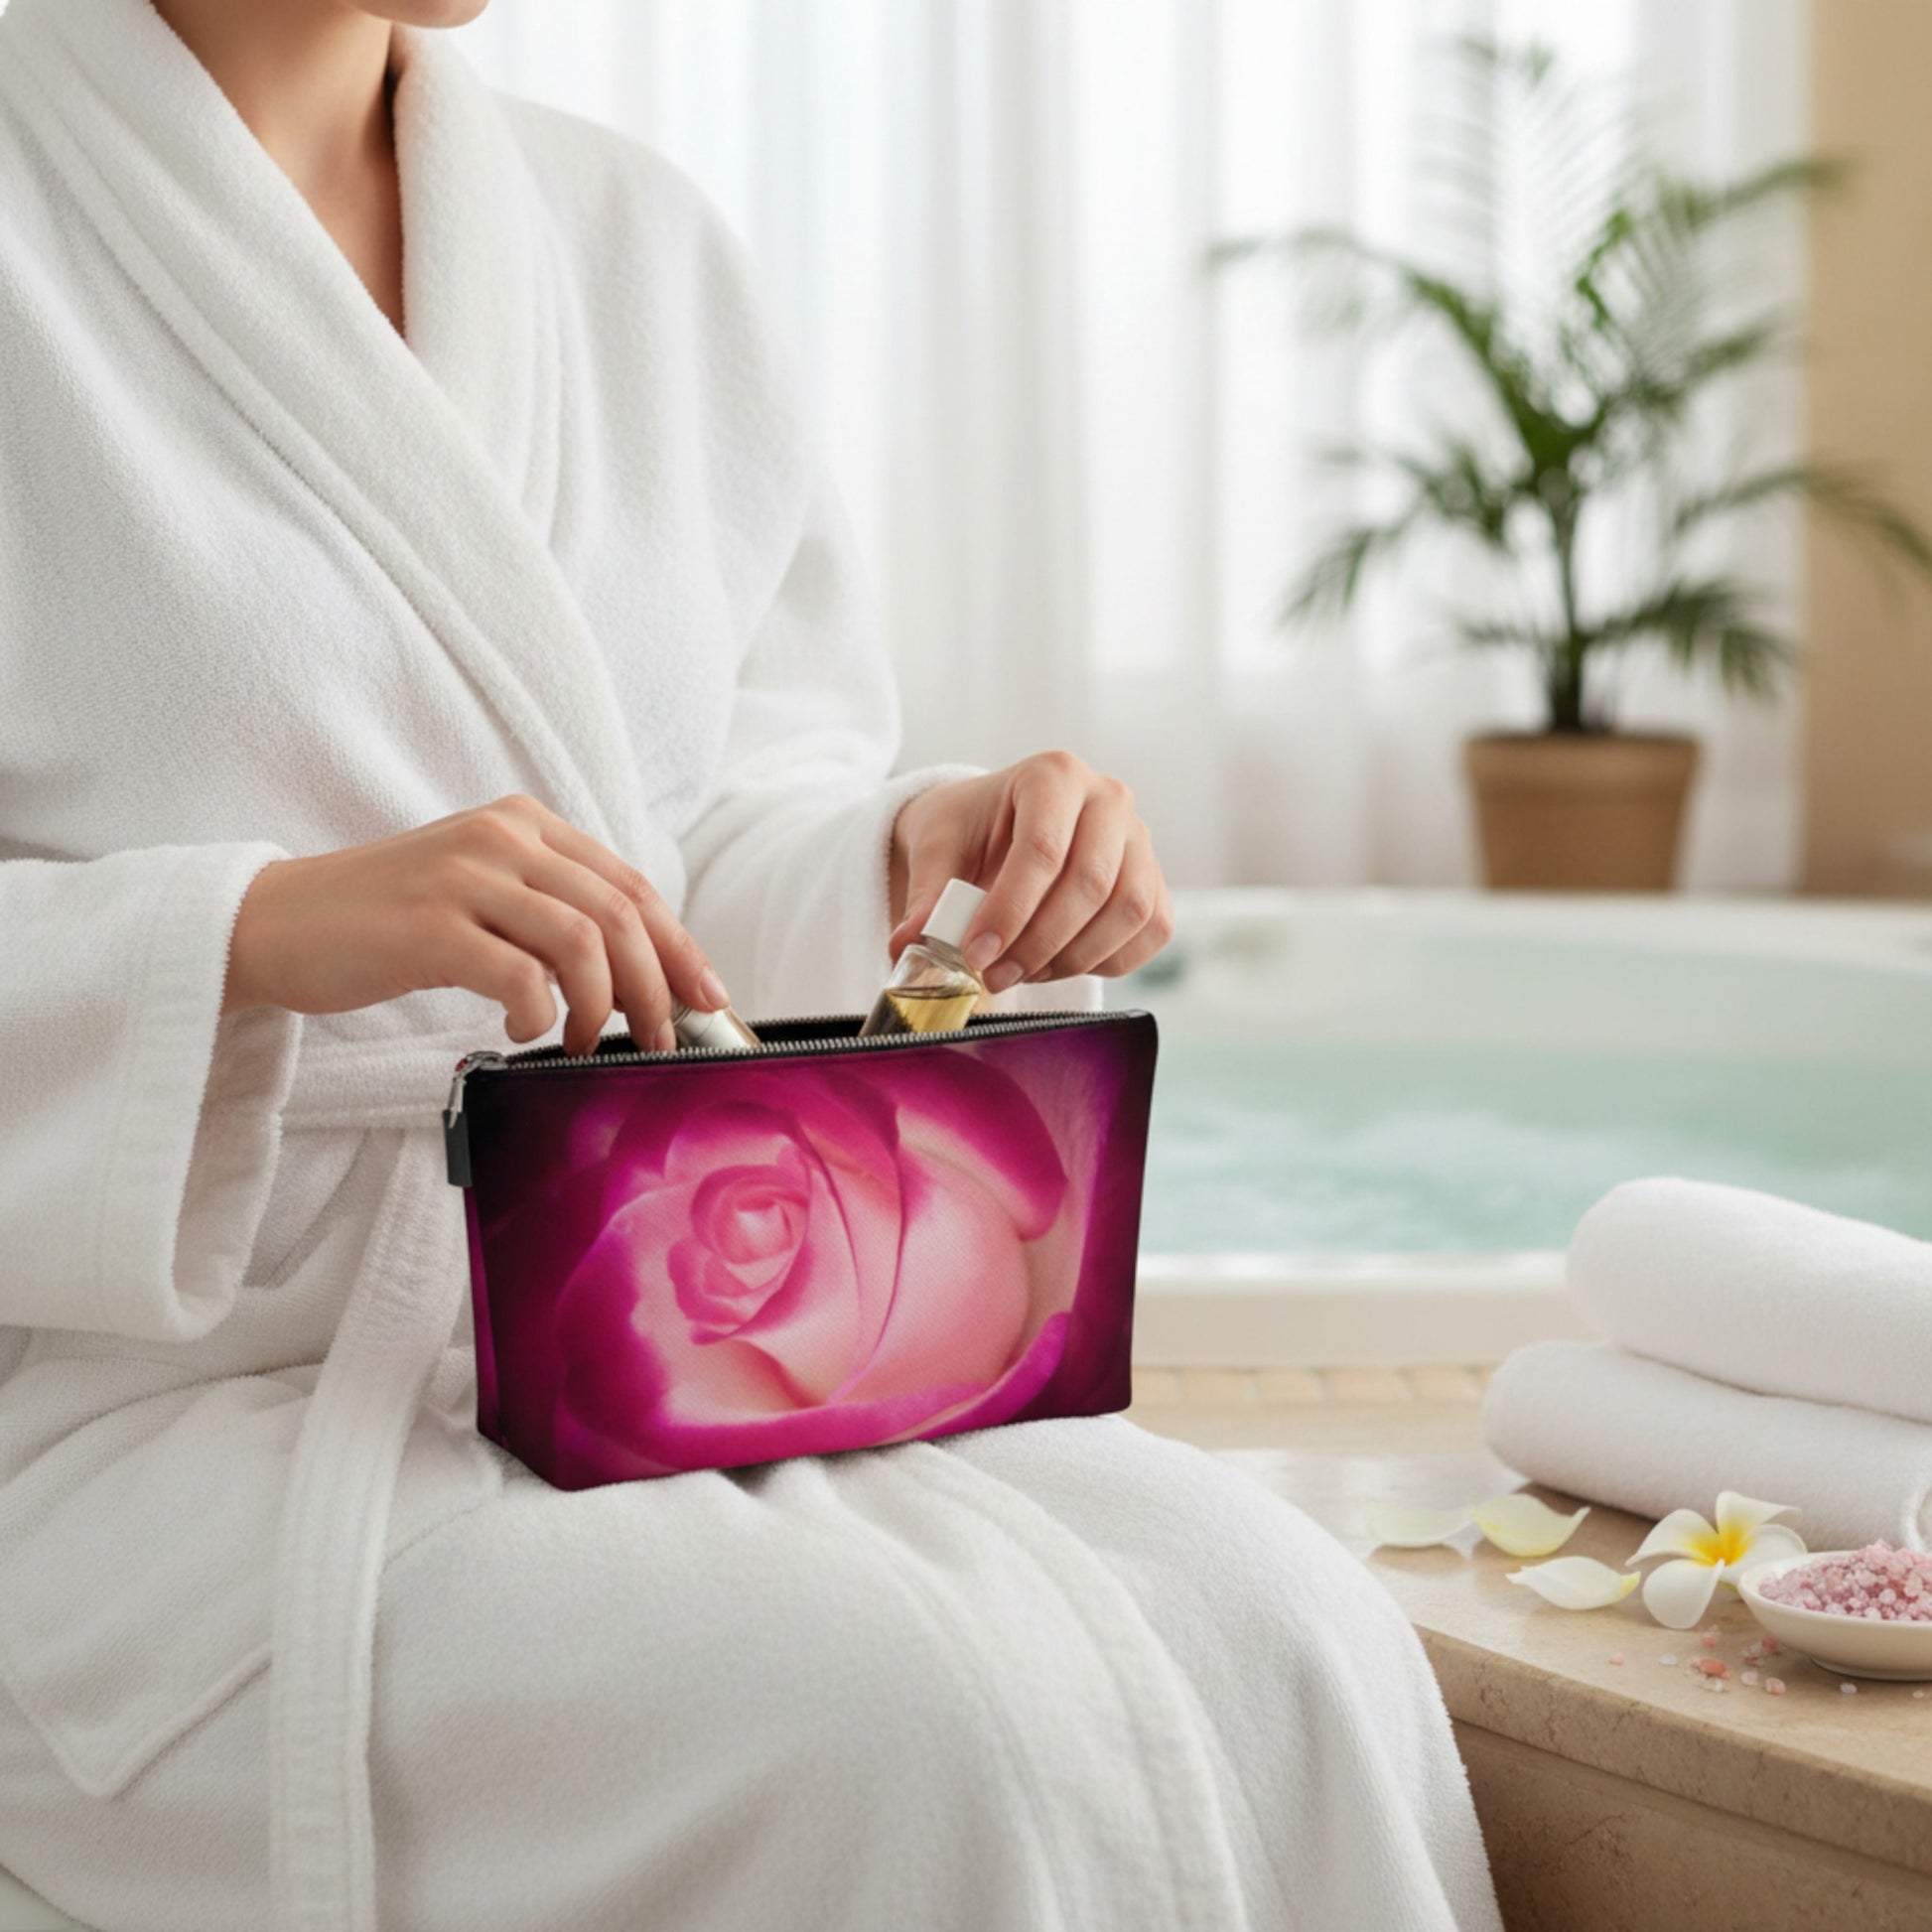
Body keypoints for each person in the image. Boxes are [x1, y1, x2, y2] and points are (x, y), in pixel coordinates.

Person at [0, 0, 1505, 1926]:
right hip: (151, 1406)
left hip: (639, 1336)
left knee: (1291, 1626)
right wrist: (248, 935)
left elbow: (683, 839)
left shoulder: (635, 242)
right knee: (908, 1721)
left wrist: (911, 849)